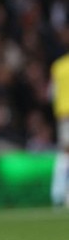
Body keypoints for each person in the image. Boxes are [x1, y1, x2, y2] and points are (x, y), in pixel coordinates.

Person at [50, 50, 69, 207]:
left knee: (64, 153)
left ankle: (58, 193)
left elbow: (51, 93)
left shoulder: (58, 66)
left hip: (63, 115)